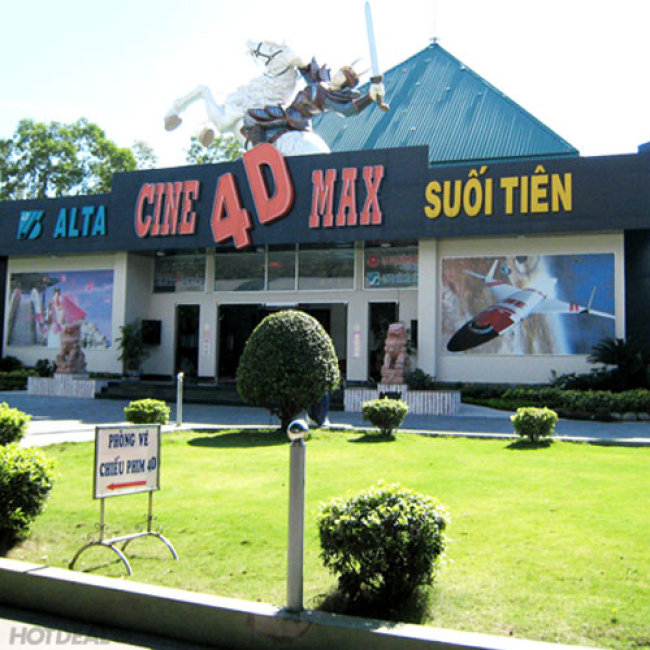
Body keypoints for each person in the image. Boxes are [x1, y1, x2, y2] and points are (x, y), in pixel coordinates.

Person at [241, 59, 387, 147]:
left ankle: (260, 150)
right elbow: (306, 69)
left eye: (341, 77)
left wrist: (370, 97)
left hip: (294, 117)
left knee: (252, 116)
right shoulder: (322, 82)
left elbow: (347, 110)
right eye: (338, 73)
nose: (336, 76)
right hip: (289, 110)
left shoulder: (330, 97)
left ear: (344, 84)